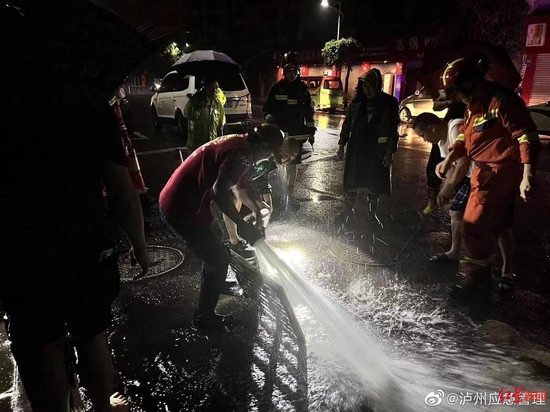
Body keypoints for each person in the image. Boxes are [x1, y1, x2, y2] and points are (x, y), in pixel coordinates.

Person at [2, 3, 150, 410]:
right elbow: (121, 191)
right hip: (84, 243)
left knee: (40, 342)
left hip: (19, 248)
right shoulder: (86, 105)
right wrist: (139, 243)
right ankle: (102, 405)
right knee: (93, 335)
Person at [159, 125, 300, 329]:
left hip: (191, 199)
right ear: (262, 146)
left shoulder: (243, 147)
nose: (269, 159)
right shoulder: (241, 154)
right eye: (270, 154)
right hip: (182, 207)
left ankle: (215, 282)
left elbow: (239, 189)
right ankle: (203, 318)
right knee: (217, 259)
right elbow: (220, 193)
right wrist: (242, 225)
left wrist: (256, 207)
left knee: (215, 236)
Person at [435, 53, 541, 298]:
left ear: (469, 85)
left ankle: (475, 284)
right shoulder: (474, 108)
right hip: (482, 175)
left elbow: (526, 136)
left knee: (476, 226)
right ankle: (479, 280)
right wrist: (448, 159)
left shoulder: (501, 102)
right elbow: (465, 136)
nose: (457, 98)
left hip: (499, 173)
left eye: (458, 92)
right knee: (476, 225)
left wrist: (528, 174)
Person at [335, 68, 399, 226]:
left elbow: (392, 130)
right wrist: (341, 144)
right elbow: (347, 124)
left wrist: (389, 151)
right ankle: (347, 212)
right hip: (357, 149)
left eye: (371, 86)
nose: (367, 90)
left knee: (374, 182)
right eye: (365, 86)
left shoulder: (389, 103)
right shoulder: (357, 103)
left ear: (379, 86)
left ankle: (372, 214)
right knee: (351, 181)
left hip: (377, 151)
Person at [263, 51, 316, 212]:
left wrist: (311, 131)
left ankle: (289, 197)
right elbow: (267, 109)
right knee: (279, 164)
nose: (291, 73)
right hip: (280, 136)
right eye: (288, 70)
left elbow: (309, 112)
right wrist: (270, 119)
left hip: (297, 136)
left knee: (292, 166)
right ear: (283, 71)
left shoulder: (303, 90)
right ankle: (279, 195)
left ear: (297, 70)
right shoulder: (276, 89)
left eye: (294, 70)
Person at [184, 77, 226, 153]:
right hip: (197, 145)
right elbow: (187, 114)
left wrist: (220, 143)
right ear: (205, 87)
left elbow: (220, 125)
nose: (214, 90)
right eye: (211, 87)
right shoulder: (196, 99)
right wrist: (198, 108)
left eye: (216, 87)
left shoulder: (218, 104)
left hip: (212, 145)